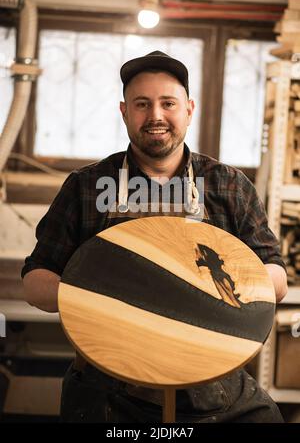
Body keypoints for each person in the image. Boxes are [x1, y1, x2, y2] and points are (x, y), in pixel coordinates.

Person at [22, 50, 288, 423]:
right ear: (124, 111)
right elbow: (36, 281)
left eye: (168, 103)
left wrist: (230, 286)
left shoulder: (227, 185)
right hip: (110, 380)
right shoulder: (87, 186)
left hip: (210, 377)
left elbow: (275, 278)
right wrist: (101, 294)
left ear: (189, 109)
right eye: (142, 104)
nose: (156, 116)